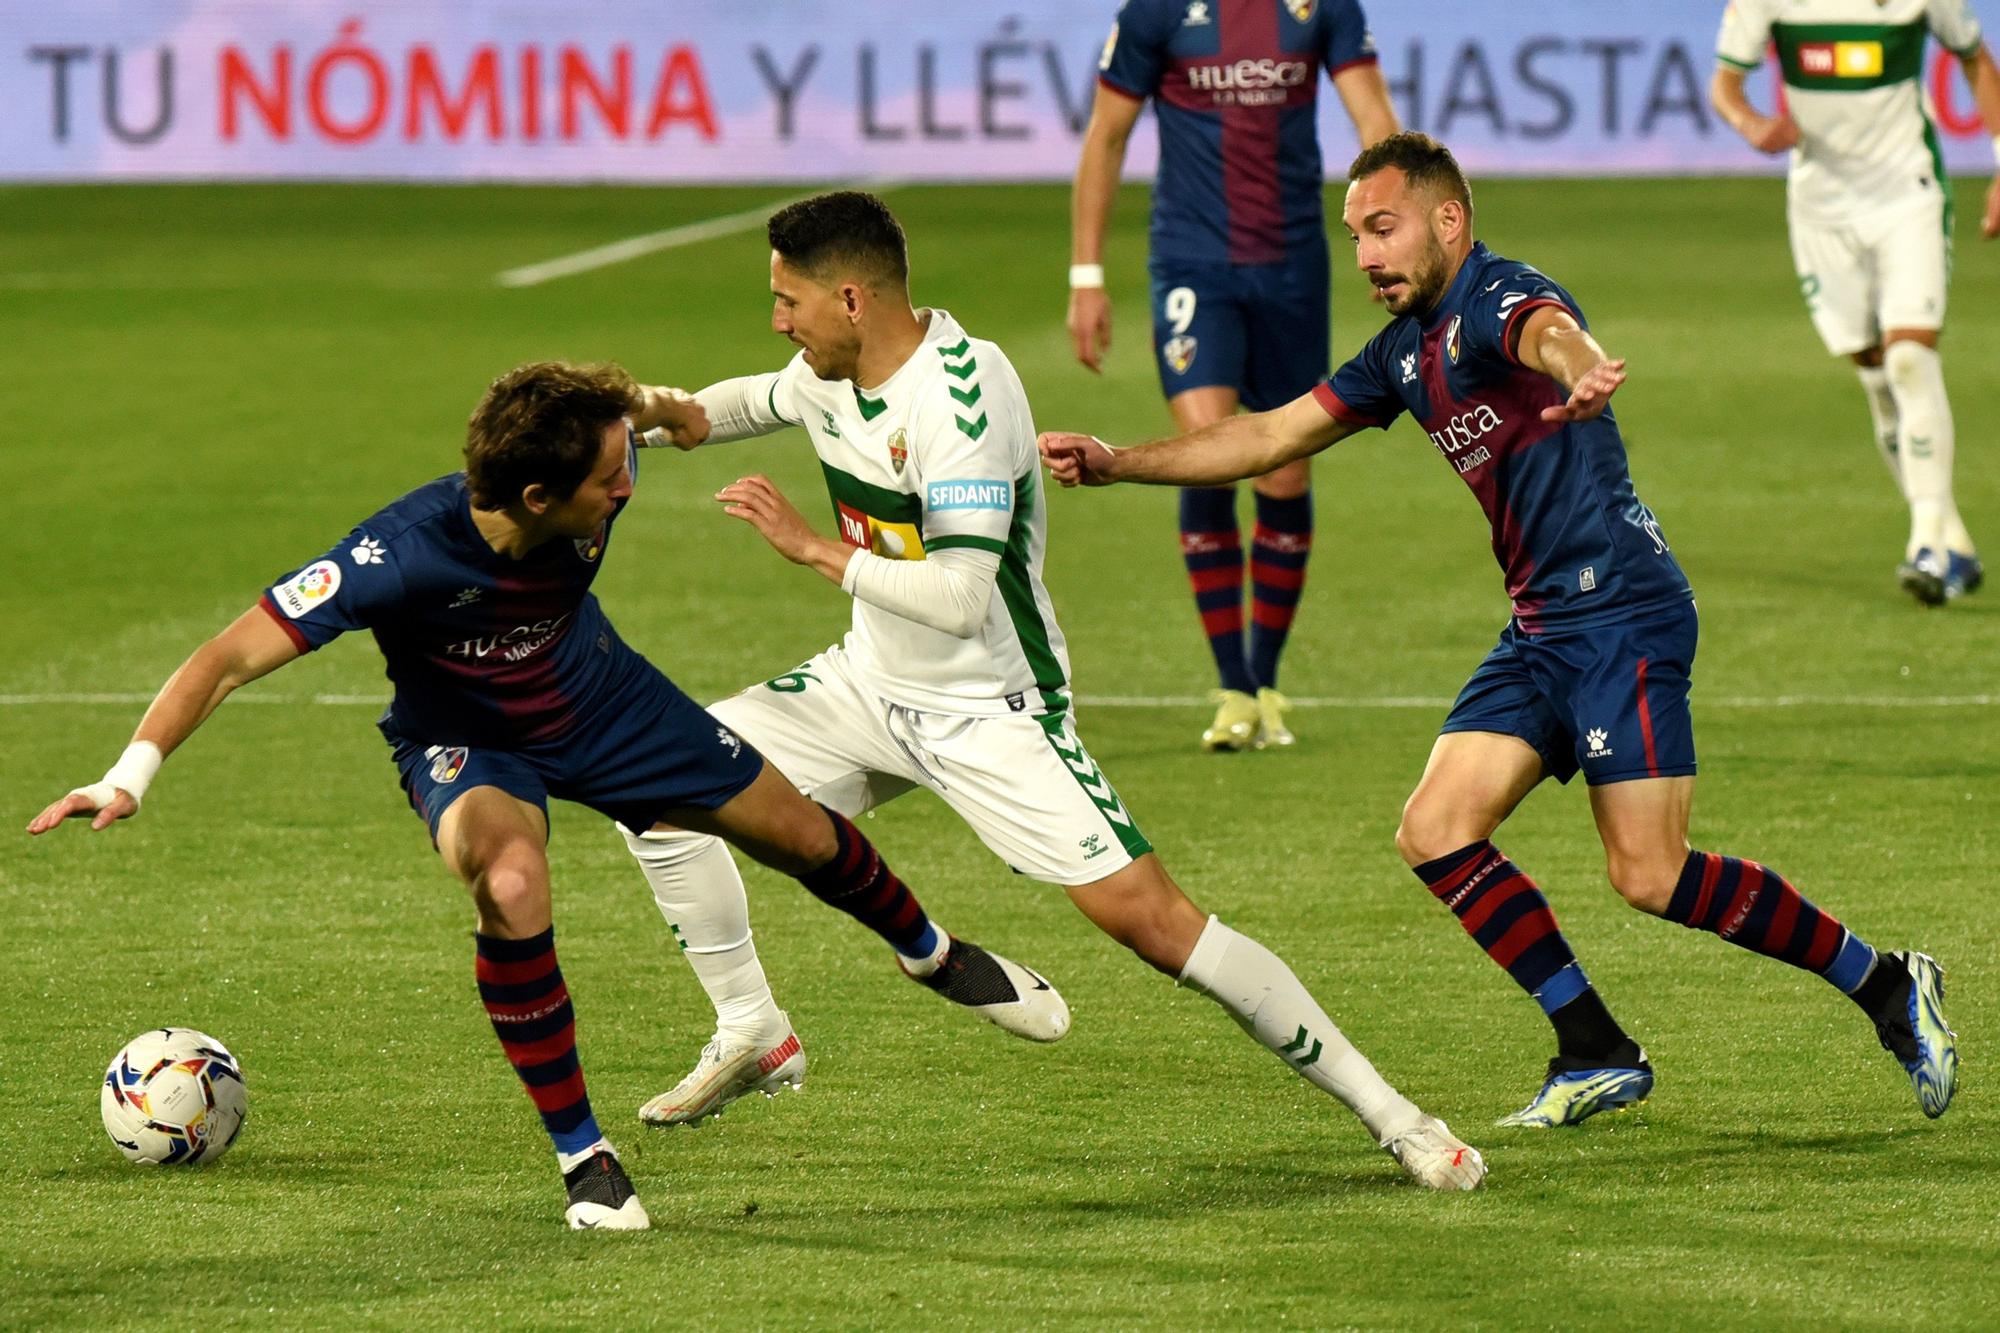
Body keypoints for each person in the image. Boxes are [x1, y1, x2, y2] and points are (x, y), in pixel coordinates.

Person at [1039, 132, 1959, 1127]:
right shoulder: (1398, 353)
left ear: (1447, 219)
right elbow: (1268, 433)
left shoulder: (1496, 299)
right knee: (1434, 831)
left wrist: (1582, 366)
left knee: (1647, 874)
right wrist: (1118, 460)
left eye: (1382, 229)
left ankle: (1884, 983)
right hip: (1539, 626)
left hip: (1620, 613)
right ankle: (1592, 1048)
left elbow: (1548, 331)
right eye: (1352, 237)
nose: (1365, 256)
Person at [27, 361, 1066, 1229]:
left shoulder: (591, 442)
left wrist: (674, 414)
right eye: (609, 479)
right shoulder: (395, 557)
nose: (625, 488)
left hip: (603, 698)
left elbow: (656, 415)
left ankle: (931, 954)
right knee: (512, 882)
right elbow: (224, 656)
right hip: (471, 745)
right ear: (537, 499)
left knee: (798, 830)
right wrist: (129, 771)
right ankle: (585, 1157)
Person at [621, 190, 1484, 1190]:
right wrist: (642, 417)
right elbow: (734, 405)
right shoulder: (828, 372)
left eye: (787, 301)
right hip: (865, 684)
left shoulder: (961, 397)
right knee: (656, 785)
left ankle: (1401, 1120)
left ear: (851, 299)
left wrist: (813, 549)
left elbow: (956, 596)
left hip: (992, 709)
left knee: (1159, 927)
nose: (777, 320)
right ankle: (752, 1029)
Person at [1068, 0, 1398, 750]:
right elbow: (1108, 134)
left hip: (1292, 270)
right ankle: (1234, 689)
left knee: (1284, 473)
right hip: (1192, 264)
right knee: (1211, 454)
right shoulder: (1156, 12)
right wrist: (1087, 273)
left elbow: (1374, 120)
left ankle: (1266, 678)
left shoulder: (1323, 8)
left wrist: (1387, 223)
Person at [1711, 0, 2000, 605]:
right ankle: (1954, 540)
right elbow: (1725, 85)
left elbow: (1974, 58)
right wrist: (1752, 125)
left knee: (1909, 362)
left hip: (1906, 194)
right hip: (1822, 206)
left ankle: (1925, 543)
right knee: (1877, 378)